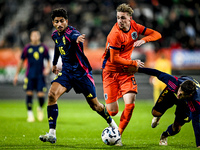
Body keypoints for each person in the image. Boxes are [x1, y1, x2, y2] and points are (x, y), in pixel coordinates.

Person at [39, 8, 119, 145]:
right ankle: (52, 133)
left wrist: (78, 38)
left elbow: (74, 36)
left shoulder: (72, 33)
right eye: (57, 22)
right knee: (52, 95)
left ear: (66, 21)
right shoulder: (55, 35)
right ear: (53, 23)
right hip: (67, 73)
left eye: (62, 21)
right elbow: (58, 47)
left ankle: (113, 125)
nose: (59, 24)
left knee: (95, 106)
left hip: (82, 74)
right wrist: (54, 64)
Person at [101, 3, 161, 140]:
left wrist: (144, 40)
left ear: (130, 18)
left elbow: (157, 34)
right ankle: (112, 100)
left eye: (123, 18)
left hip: (126, 71)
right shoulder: (114, 35)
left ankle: (118, 135)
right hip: (110, 71)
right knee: (113, 111)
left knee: (130, 103)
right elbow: (114, 59)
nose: (120, 21)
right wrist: (133, 63)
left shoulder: (134, 26)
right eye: (118, 18)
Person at [132, 67, 200, 148]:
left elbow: (196, 122)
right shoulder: (175, 82)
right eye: (179, 92)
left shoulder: (195, 101)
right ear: (180, 86)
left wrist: (198, 144)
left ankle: (164, 135)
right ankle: (158, 117)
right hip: (171, 93)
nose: (178, 95)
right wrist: (137, 69)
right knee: (155, 113)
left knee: (176, 128)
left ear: (189, 95)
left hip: (185, 104)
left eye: (182, 94)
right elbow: (157, 73)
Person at [13, 29, 51, 122]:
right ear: (30, 37)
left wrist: (47, 69)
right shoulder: (27, 48)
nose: (35, 37)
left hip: (40, 76)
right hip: (30, 75)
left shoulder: (43, 47)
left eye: (36, 35)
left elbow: (49, 60)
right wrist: (16, 75)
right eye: (33, 35)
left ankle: (40, 108)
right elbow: (21, 62)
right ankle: (30, 114)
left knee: (41, 95)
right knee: (29, 93)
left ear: (39, 36)